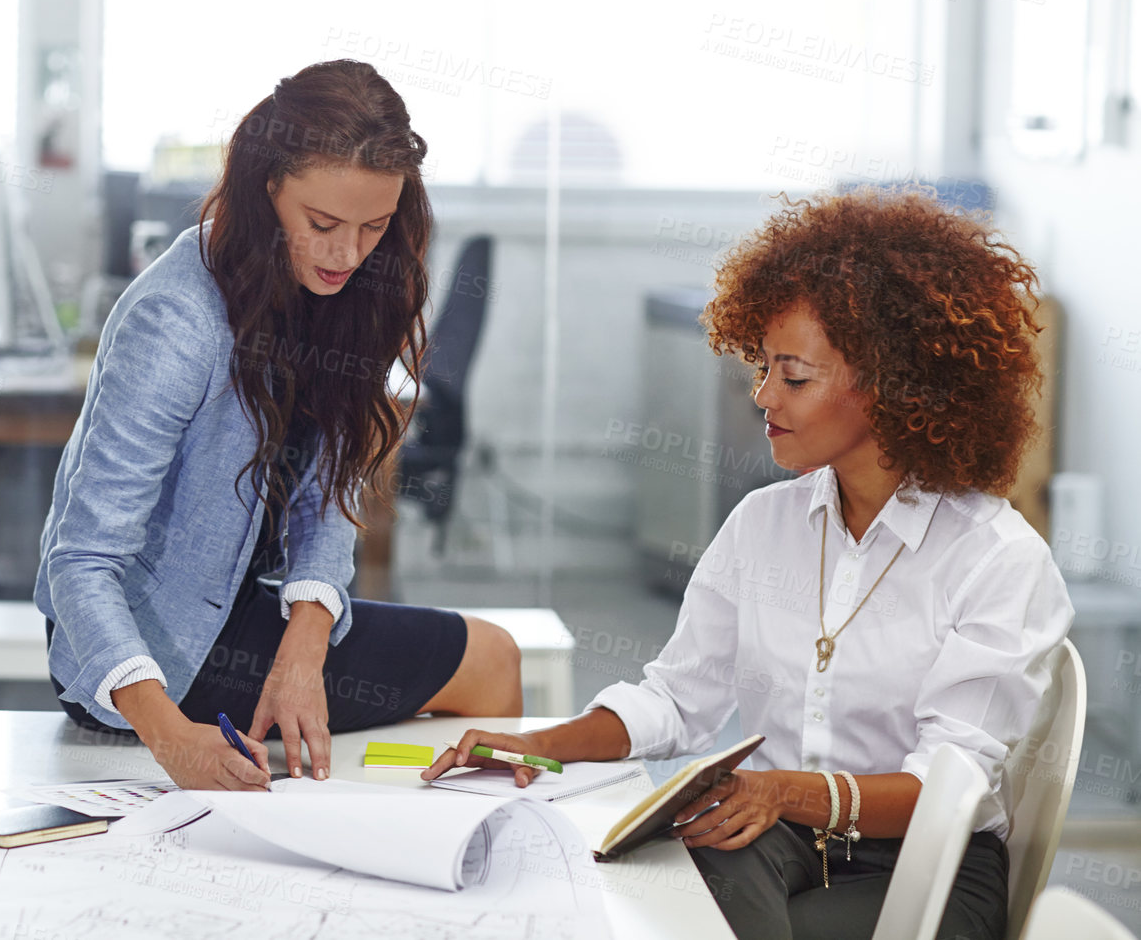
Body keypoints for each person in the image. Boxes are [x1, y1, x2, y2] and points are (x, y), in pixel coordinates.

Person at [423, 188, 1072, 940]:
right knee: (653, 893)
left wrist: (780, 793)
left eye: (794, 377)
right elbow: (676, 700)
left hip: (927, 862)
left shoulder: (996, 559)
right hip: (770, 837)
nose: (763, 396)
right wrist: (542, 744)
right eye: (761, 367)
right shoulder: (764, 524)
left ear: (894, 386)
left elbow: (947, 790)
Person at [35, 59, 522, 791]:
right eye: (321, 224)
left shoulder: (333, 292)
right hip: (150, 660)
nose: (348, 254)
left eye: (375, 227)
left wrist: (305, 646)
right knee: (490, 661)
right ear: (267, 191)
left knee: (473, 670)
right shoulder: (176, 322)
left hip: (236, 610)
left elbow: (326, 495)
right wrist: (172, 738)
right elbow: (79, 563)